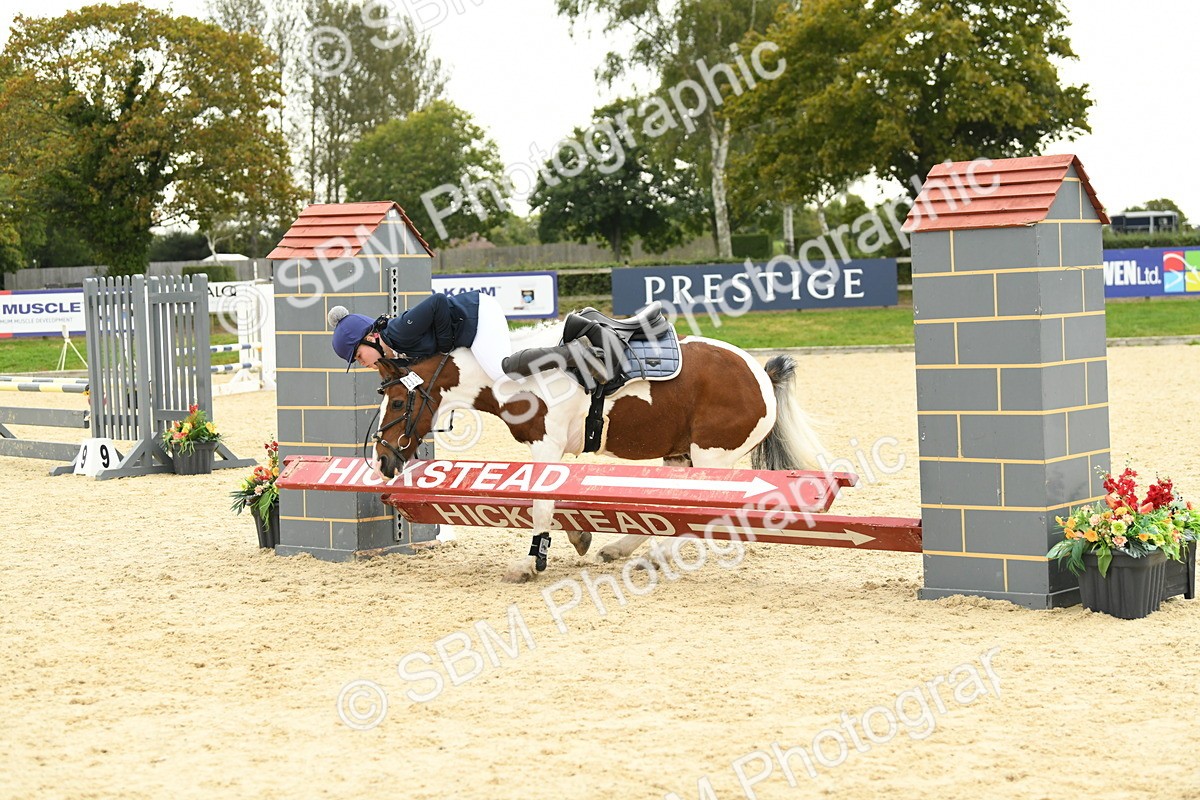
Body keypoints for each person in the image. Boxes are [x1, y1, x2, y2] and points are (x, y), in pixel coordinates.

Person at [328, 290, 512, 381]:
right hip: (471, 326)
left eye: (359, 355)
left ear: (370, 338)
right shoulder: (395, 352)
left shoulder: (399, 331)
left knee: (500, 375)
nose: (362, 363)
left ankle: (541, 360)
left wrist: (444, 347)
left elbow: (437, 301)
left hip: (479, 314)